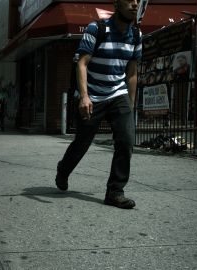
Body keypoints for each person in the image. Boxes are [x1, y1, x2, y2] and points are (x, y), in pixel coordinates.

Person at [55, 0, 142, 209]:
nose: (135, 4)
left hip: (118, 93)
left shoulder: (137, 35)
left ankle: (115, 192)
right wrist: (84, 97)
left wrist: (130, 105)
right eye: (129, 0)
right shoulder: (97, 28)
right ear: (116, 3)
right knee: (82, 143)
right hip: (93, 94)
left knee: (126, 140)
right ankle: (63, 169)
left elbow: (131, 73)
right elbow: (82, 63)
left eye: (137, 1)